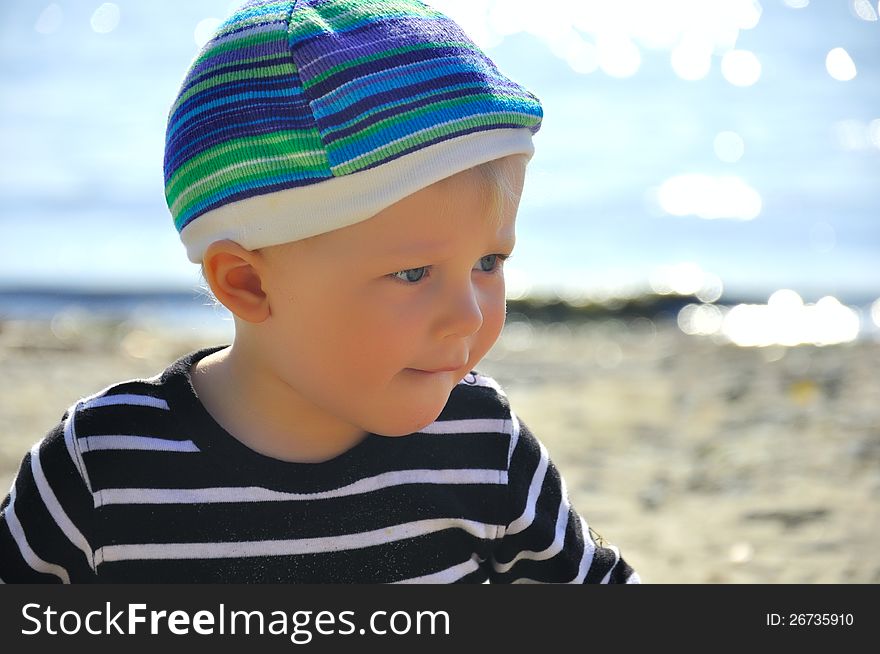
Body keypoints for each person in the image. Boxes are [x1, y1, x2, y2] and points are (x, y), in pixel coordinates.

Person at [0, 0, 639, 584]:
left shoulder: (483, 446)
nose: (467, 316)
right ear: (247, 282)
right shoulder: (106, 470)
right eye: (414, 273)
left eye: (489, 261)